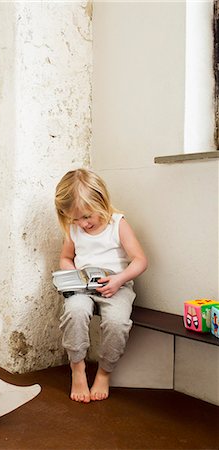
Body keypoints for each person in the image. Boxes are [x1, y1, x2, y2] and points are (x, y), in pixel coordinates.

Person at [54, 168, 148, 403]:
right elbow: (66, 257)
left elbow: (140, 260)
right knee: (75, 311)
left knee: (117, 322)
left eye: (86, 217)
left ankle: (104, 371)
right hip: (83, 288)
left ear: (102, 202)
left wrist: (119, 280)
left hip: (116, 286)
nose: (82, 224)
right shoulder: (73, 229)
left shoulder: (118, 224)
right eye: (75, 218)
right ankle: (77, 368)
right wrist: (73, 273)